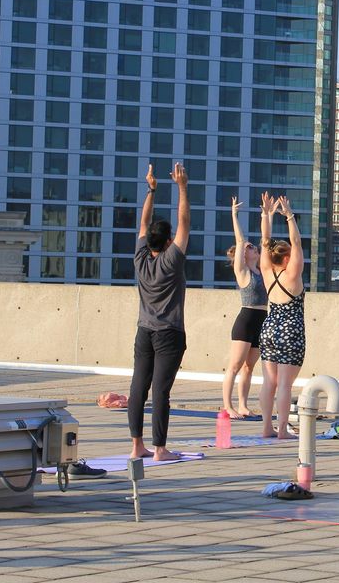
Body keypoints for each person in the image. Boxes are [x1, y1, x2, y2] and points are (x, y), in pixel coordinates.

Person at [129, 163, 190, 461]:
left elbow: (143, 224)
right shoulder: (171, 261)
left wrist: (151, 190)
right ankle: (160, 449)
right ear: (167, 243)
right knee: (161, 392)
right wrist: (182, 187)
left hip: (144, 331)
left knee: (138, 388)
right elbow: (185, 223)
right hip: (169, 334)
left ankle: (136, 446)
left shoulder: (140, 259)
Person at [257, 192, 305, 440]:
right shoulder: (292, 275)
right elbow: (296, 244)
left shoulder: (266, 270)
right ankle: (282, 429)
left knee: (269, 382)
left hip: (268, 327)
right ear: (286, 258)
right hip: (290, 329)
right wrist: (289, 217)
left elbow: (265, 240)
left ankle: (267, 427)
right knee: (285, 384)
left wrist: (266, 214)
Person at [222, 195, 266, 418]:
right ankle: (227, 405)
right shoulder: (243, 272)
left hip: (262, 319)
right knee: (235, 365)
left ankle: (242, 404)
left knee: (249, 367)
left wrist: (265, 215)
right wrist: (234, 214)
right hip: (246, 319)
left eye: (253, 246)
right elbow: (240, 241)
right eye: (250, 247)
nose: (252, 247)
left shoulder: (261, 270)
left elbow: (266, 242)